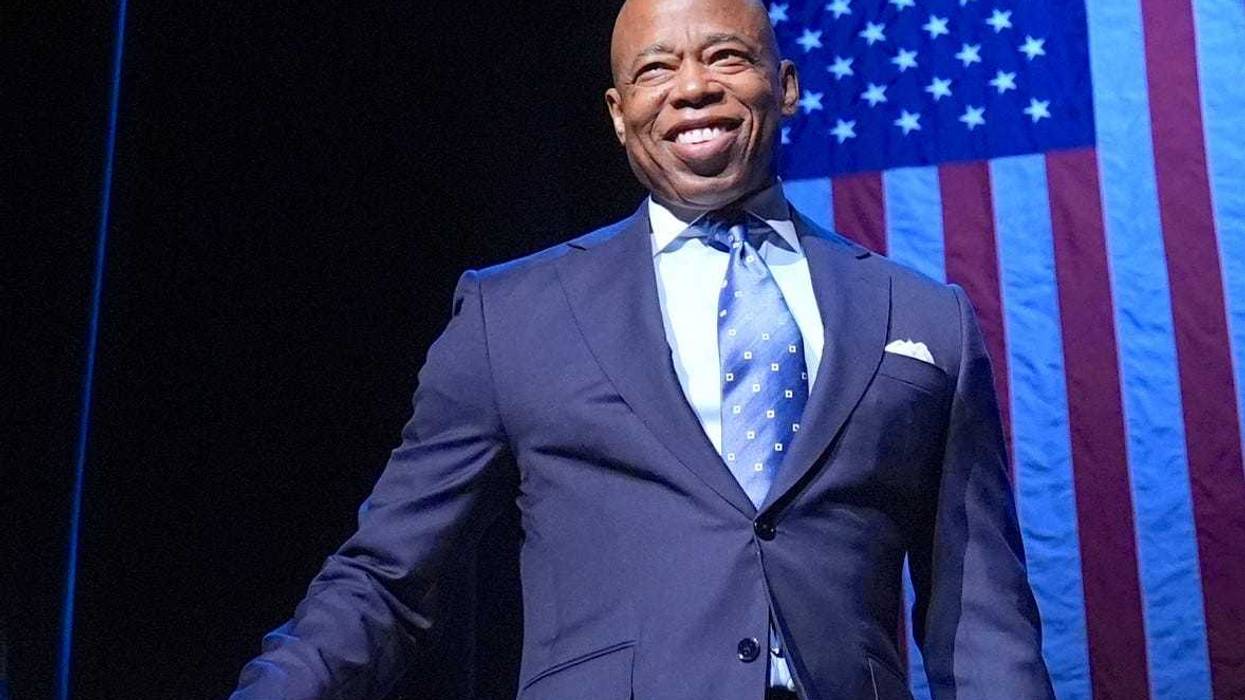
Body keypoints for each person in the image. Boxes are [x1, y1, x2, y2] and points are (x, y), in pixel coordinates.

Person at [231, 0, 1055, 697]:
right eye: (654, 71)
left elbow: (979, 612)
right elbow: (389, 575)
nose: (692, 87)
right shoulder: (510, 313)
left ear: (786, 84)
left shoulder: (923, 315)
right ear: (618, 112)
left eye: (725, 56)